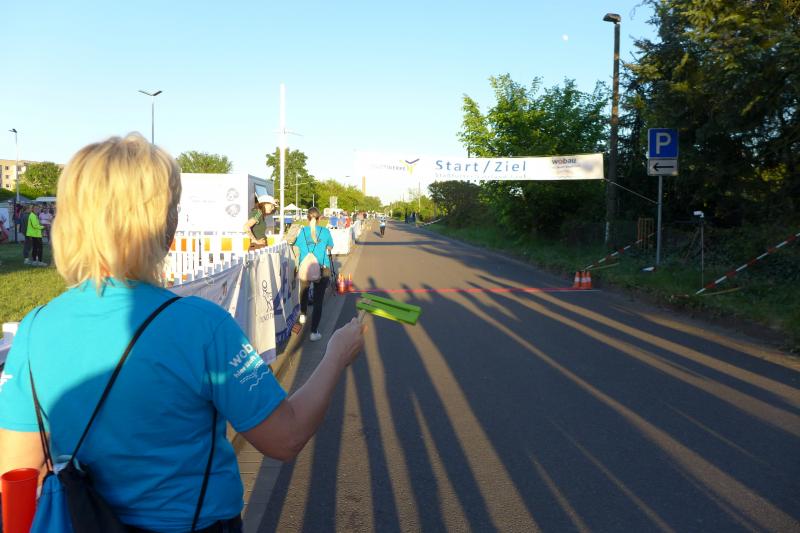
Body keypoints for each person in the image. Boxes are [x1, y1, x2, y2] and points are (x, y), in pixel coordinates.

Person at [0, 133, 365, 532]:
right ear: (164, 226)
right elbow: (285, 436)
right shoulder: (201, 325)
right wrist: (335, 355)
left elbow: (17, 472)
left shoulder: (36, 329)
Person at [295, 207, 335, 342]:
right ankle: (313, 332)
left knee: (304, 291)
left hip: (305, 266)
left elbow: (296, 245)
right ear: (319, 218)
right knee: (318, 300)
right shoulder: (325, 231)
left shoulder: (302, 232)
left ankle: (303, 314)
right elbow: (330, 247)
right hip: (322, 267)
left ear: (307, 218)